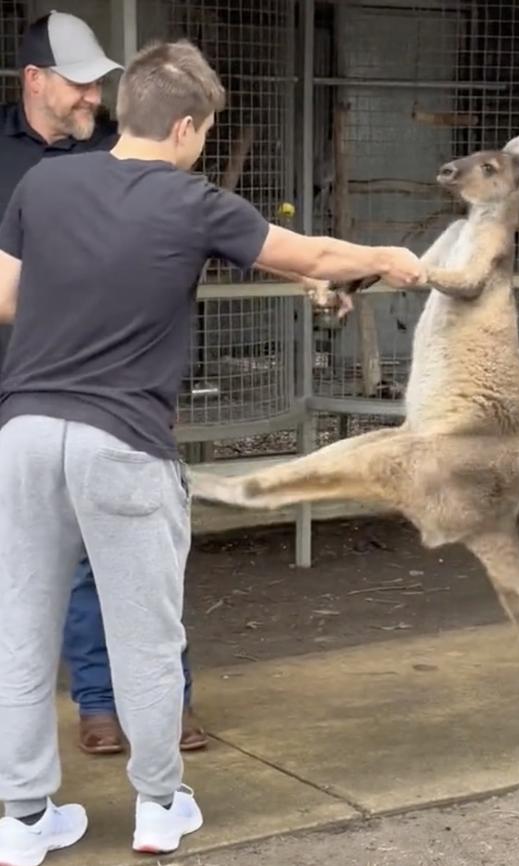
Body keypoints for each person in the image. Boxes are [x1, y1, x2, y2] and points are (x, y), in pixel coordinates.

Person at [0, 37, 424, 863]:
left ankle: (21, 819)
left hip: (20, 433)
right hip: (121, 440)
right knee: (145, 634)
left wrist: (85, 298)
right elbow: (314, 255)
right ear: (189, 129)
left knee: (20, 628)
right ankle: (159, 807)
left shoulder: (45, 182)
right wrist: (388, 260)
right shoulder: (191, 200)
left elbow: (7, 298)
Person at [0, 9, 207, 756]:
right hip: (23, 393)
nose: (94, 98)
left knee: (131, 559)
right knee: (33, 584)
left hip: (119, 395)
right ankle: (98, 703)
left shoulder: (118, 158)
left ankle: (154, 703)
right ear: (35, 80)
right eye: (81, 84)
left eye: (99, 85)